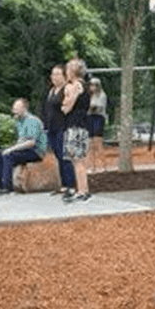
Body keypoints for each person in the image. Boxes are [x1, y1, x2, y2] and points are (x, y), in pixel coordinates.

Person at [0, 98, 47, 196]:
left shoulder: (32, 121)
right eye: (13, 108)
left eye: (16, 108)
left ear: (24, 108)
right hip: (25, 149)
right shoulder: (19, 121)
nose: (13, 111)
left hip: (35, 151)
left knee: (9, 156)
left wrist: (12, 149)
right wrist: (10, 148)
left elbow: (31, 142)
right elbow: (21, 140)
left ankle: (7, 187)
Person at [42, 64, 76, 195]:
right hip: (51, 128)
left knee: (64, 156)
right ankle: (63, 184)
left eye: (57, 74)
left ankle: (70, 184)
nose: (54, 77)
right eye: (53, 74)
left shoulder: (66, 90)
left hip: (63, 127)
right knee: (57, 155)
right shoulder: (51, 91)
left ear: (64, 76)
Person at [61, 58, 91, 202]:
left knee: (77, 159)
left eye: (68, 69)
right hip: (81, 125)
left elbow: (67, 107)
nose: (66, 72)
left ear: (73, 71)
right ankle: (83, 189)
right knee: (79, 160)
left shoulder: (76, 86)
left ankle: (82, 191)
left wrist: (66, 102)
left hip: (76, 126)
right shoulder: (81, 85)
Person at [87, 77, 108, 172]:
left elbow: (98, 109)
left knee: (98, 142)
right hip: (90, 118)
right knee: (90, 143)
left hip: (98, 118)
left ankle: (102, 166)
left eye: (96, 85)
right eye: (92, 85)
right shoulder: (88, 96)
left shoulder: (102, 95)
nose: (93, 87)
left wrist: (91, 108)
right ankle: (91, 166)